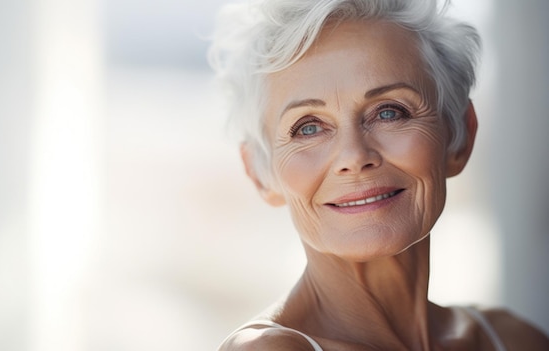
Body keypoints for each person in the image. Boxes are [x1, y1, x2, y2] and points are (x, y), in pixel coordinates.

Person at [208, 0, 549, 350]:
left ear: (460, 134)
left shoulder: (513, 339)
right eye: (308, 128)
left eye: (389, 112)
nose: (355, 156)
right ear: (260, 173)